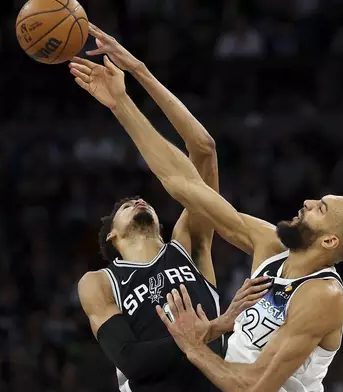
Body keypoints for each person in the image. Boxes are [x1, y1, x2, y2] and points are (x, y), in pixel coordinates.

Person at [69, 42, 343, 392]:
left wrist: (197, 341)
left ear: (330, 241)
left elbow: (252, 386)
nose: (307, 202)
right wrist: (129, 90)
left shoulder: (324, 295)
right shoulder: (270, 245)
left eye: (321, 209)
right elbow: (183, 181)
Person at [76, 28, 272, 392]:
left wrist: (135, 76)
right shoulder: (100, 283)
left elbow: (204, 150)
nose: (138, 201)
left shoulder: (188, 245)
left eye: (141, 200)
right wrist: (214, 327)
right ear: (112, 235)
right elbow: (133, 362)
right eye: (124, 206)